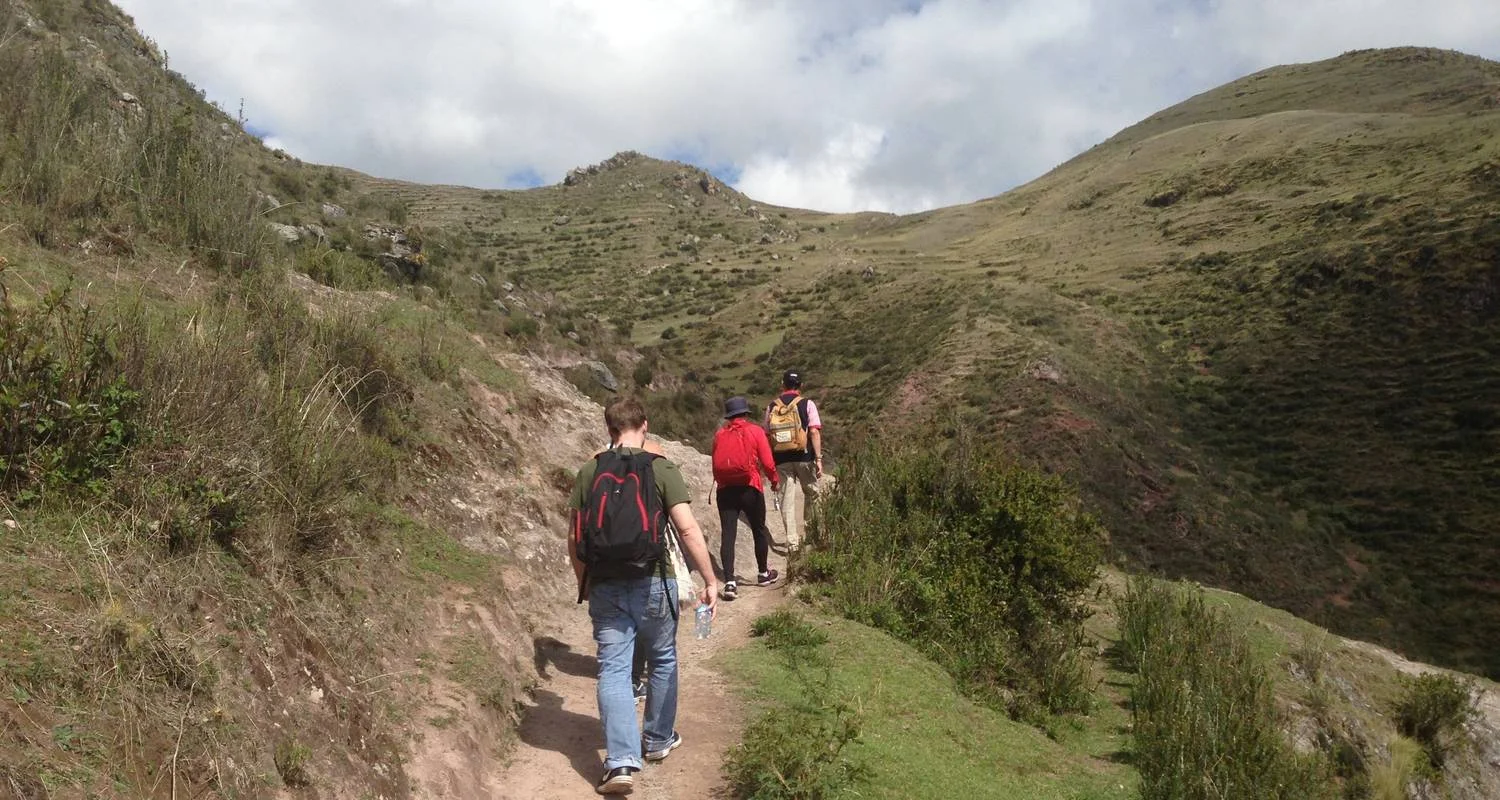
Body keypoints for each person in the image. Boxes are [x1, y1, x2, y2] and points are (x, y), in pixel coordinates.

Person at [568, 397, 719, 794]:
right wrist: (710, 579)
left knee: (614, 670)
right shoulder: (661, 467)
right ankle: (657, 739)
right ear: (645, 425)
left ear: (609, 429)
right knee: (663, 658)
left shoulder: (590, 470)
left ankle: (619, 762)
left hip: (606, 584)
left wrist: (586, 583)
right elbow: (687, 530)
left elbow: (574, 537)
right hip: (655, 579)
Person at [709, 396, 781, 601]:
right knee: (758, 529)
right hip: (750, 487)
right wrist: (774, 480)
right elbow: (768, 462)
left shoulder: (719, 434)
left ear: (729, 416)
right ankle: (763, 573)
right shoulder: (755, 431)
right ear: (745, 413)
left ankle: (730, 583)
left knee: (728, 534)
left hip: (725, 490)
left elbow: (715, 464)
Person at [765, 369, 824, 550]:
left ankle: (792, 543)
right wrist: (818, 458)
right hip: (804, 457)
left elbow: (767, 435)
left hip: (781, 460)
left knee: (786, 500)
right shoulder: (807, 404)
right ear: (801, 386)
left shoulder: (772, 406)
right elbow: (814, 431)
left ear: (782, 385)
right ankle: (811, 536)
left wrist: (769, 462)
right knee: (812, 494)